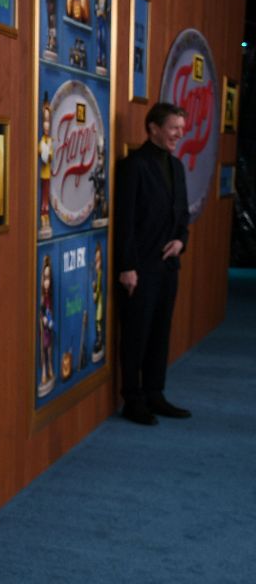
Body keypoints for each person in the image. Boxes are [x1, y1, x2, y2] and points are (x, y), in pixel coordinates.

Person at [113, 103, 192, 425]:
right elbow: (125, 222)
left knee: (160, 333)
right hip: (140, 271)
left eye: (181, 129)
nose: (179, 134)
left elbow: (182, 215)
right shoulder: (133, 166)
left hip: (168, 268)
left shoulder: (176, 167)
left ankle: (155, 394)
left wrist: (181, 241)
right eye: (174, 128)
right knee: (136, 335)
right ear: (154, 128)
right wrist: (127, 267)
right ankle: (133, 400)